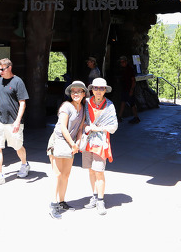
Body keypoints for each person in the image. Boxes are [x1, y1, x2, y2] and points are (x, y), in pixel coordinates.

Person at [46, 80, 87, 219]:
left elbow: (80, 128)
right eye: (73, 91)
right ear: (70, 93)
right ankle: (53, 203)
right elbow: (63, 127)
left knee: (65, 175)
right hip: (59, 141)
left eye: (79, 91)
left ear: (83, 94)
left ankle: (62, 201)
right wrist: (73, 144)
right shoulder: (66, 106)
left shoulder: (82, 108)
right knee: (57, 174)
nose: (76, 94)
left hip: (71, 144)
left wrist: (78, 142)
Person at [0, 58, 30, 187]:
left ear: (9, 68)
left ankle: (24, 164)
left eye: (3, 69)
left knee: (17, 146)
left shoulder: (18, 82)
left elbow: (22, 103)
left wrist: (17, 121)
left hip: (13, 121)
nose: (0, 71)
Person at [82, 77, 118, 215]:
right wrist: (86, 127)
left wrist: (97, 129)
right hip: (88, 142)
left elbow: (113, 126)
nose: (98, 91)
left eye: (101, 88)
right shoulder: (86, 103)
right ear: (91, 89)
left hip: (100, 143)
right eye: (95, 88)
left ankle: (101, 200)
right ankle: (94, 196)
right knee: (91, 170)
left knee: (99, 171)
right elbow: (82, 120)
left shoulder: (109, 105)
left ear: (105, 91)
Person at [117, 55, 140, 124]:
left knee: (132, 103)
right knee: (123, 102)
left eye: (123, 62)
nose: (122, 63)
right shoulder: (122, 69)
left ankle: (136, 117)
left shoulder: (130, 69)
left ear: (126, 62)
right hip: (124, 88)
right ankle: (120, 117)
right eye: (121, 62)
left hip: (129, 89)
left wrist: (131, 90)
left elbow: (133, 80)